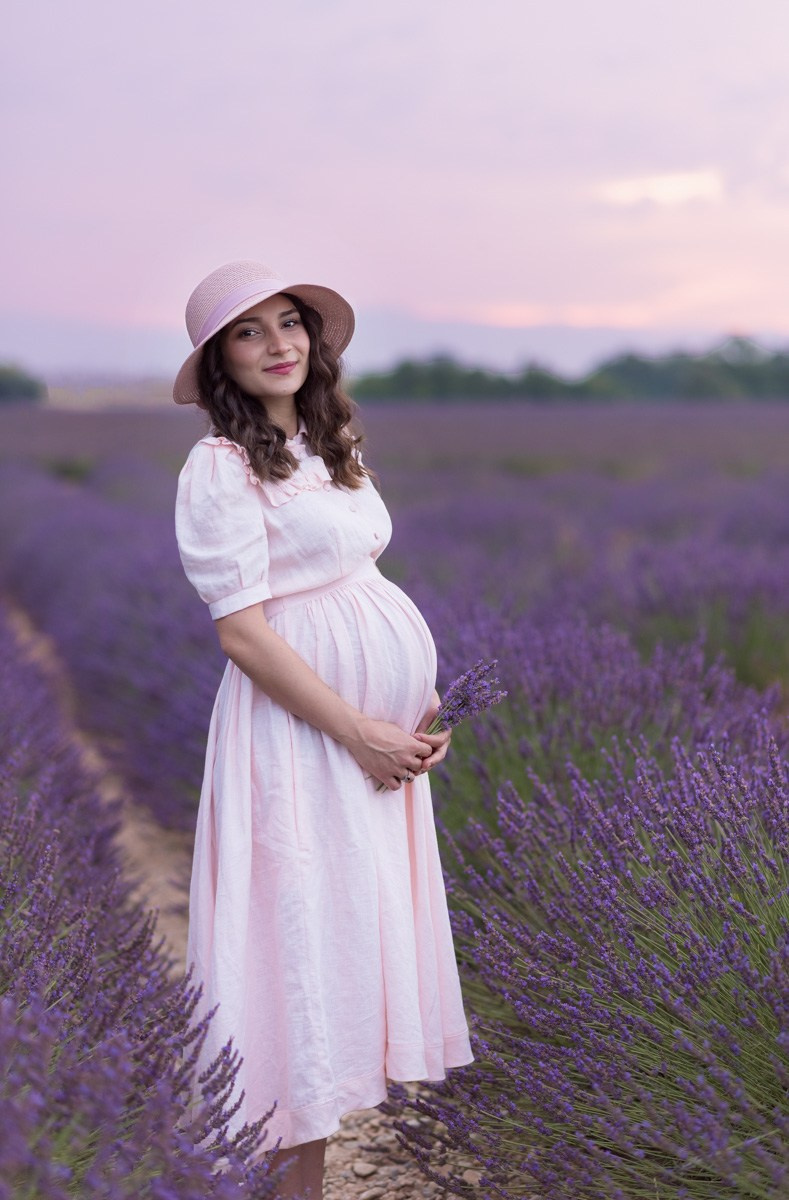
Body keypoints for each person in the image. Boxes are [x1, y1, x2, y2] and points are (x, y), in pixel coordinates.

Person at [173, 260, 473, 1199]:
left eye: (289, 322)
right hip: (302, 744)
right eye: (249, 331)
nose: (278, 344)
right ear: (221, 359)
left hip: (366, 745)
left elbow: (359, 587)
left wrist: (415, 716)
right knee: (292, 946)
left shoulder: (329, 446)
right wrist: (356, 728)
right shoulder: (218, 466)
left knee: (340, 948)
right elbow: (242, 633)